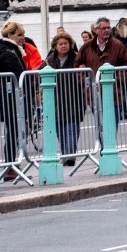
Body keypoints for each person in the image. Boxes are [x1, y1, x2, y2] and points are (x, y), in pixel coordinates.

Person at [0, 21, 29, 181]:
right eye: (19, 35)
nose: (22, 38)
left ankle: (11, 165)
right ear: (10, 35)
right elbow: (20, 74)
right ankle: (10, 165)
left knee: (13, 131)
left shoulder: (8, 50)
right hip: (10, 98)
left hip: (9, 97)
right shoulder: (8, 52)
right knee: (13, 131)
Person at [77, 16, 127, 122]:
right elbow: (77, 63)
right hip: (94, 95)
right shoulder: (87, 46)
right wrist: (83, 80)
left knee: (112, 127)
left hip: (114, 95)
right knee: (100, 128)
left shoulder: (118, 45)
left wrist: (116, 80)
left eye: (108, 28)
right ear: (96, 30)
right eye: (104, 28)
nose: (107, 30)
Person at [46, 31, 85, 165]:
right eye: (61, 44)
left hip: (74, 98)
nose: (64, 46)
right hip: (56, 100)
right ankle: (65, 154)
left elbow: (84, 74)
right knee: (60, 129)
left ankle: (70, 156)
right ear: (55, 46)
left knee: (72, 127)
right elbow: (38, 72)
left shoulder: (76, 58)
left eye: (66, 43)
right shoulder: (50, 60)